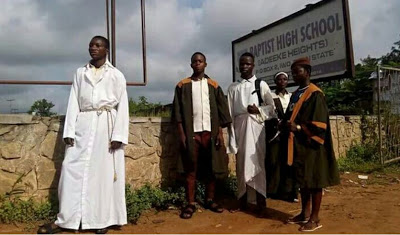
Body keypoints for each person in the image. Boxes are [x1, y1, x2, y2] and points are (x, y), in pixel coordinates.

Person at [38, 36, 129, 234]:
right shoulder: (80, 73)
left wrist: (119, 135)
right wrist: (69, 130)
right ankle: (66, 219)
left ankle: (101, 219)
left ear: (107, 49)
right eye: (91, 45)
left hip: (106, 125)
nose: (93, 48)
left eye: (98, 45)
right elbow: (73, 102)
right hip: (84, 123)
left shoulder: (116, 75)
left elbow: (123, 107)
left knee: (102, 175)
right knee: (71, 170)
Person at [172, 52, 232, 219]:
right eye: (194, 61)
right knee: (191, 168)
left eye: (200, 61)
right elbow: (177, 113)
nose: (197, 64)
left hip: (210, 133)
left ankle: (210, 199)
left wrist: (220, 133)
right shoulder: (182, 85)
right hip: (192, 135)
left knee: (211, 167)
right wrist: (182, 135)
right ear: (191, 64)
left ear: (206, 64)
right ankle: (190, 203)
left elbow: (221, 112)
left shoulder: (213, 85)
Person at [283, 57, 340, 232]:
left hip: (313, 145)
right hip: (299, 144)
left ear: (307, 72)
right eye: (292, 72)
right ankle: (304, 213)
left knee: (315, 181)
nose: (294, 75)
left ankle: (315, 218)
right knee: (304, 180)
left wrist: (298, 127)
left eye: (297, 71)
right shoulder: (296, 94)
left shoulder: (315, 94)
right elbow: (289, 115)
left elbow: (320, 123)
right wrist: (284, 123)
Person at [227, 52, 276, 215]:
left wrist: (258, 110)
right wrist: (231, 135)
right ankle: (242, 200)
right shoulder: (233, 87)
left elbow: (272, 108)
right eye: (242, 64)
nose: (244, 67)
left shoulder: (261, 84)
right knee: (241, 163)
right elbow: (229, 113)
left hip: (256, 128)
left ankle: (261, 202)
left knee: (257, 162)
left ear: (253, 65)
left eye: (248, 64)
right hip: (240, 127)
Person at [265, 72, 298, 202]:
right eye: (279, 79)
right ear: (275, 81)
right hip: (275, 134)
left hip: (289, 134)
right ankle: (273, 191)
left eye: (285, 79)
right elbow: (267, 113)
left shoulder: (291, 97)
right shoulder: (271, 97)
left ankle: (289, 192)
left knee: (289, 162)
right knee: (274, 161)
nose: (282, 81)